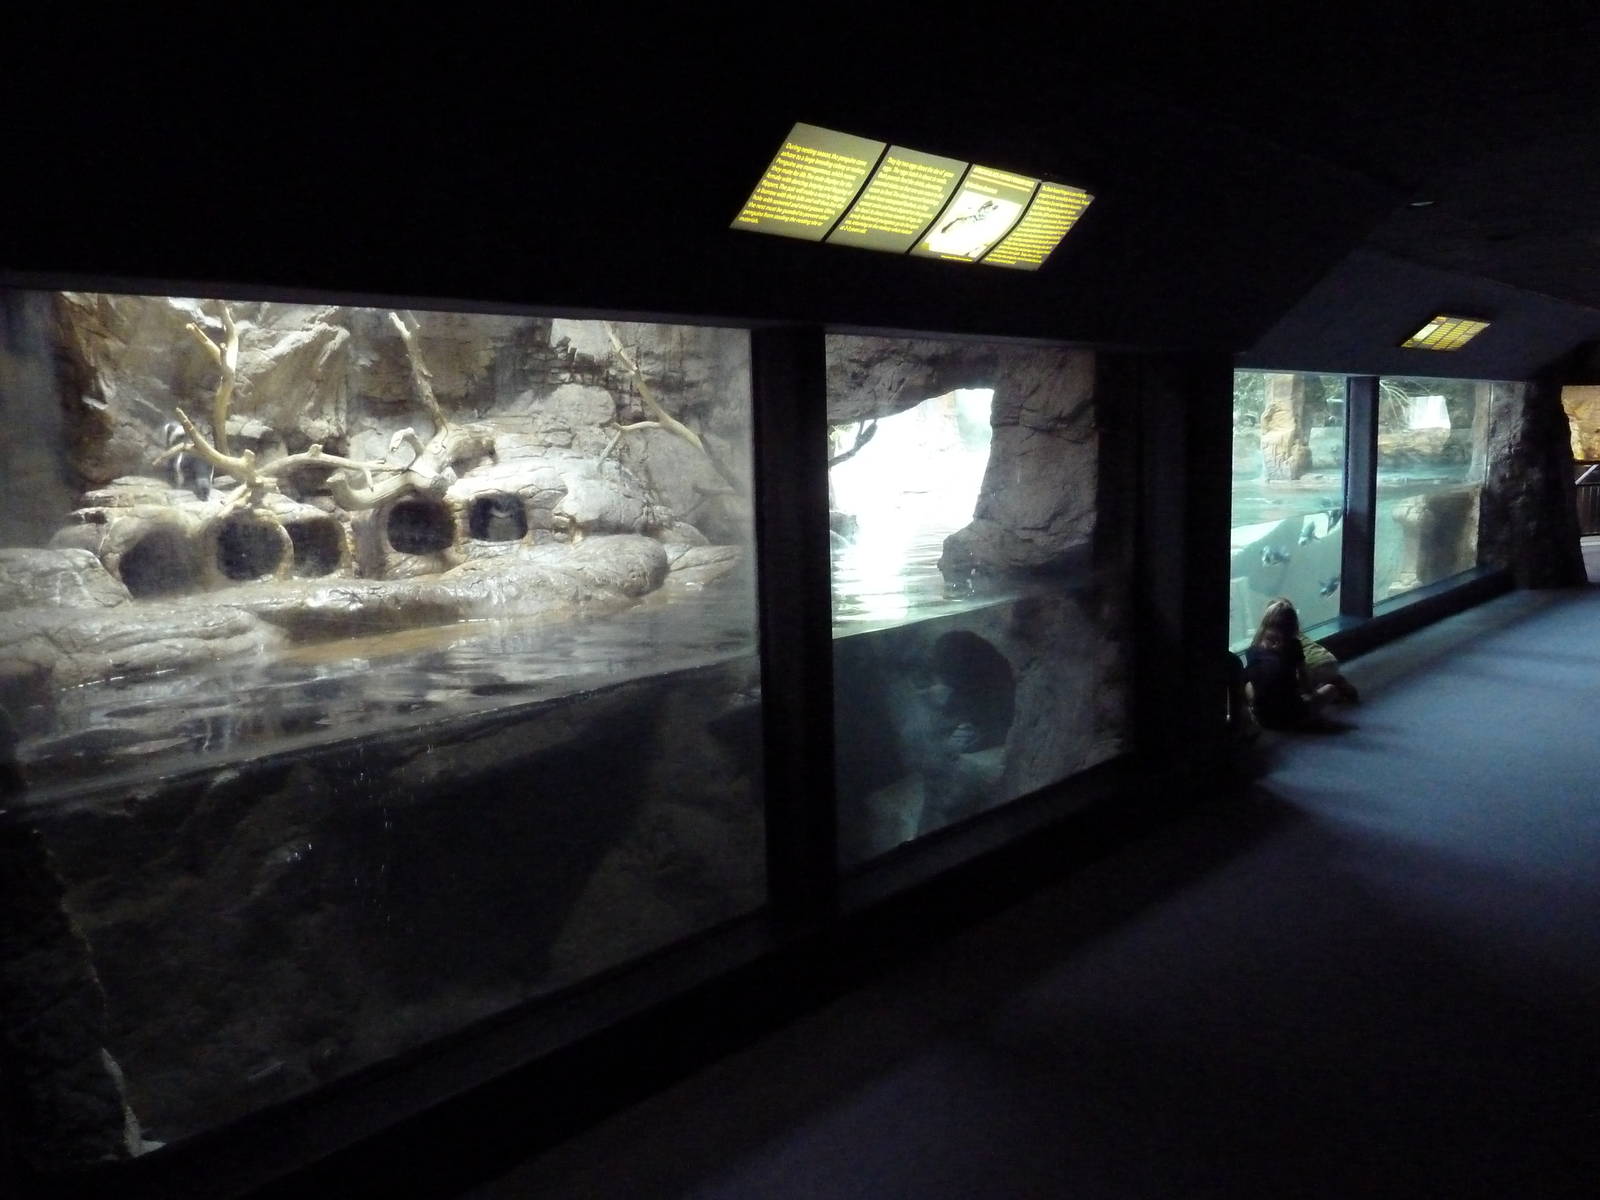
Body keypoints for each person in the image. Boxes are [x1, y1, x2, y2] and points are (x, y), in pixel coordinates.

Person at [1242, 597, 1356, 730]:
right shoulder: (1293, 645)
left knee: (1251, 685)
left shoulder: (1252, 649)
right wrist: (1308, 693)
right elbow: (1306, 684)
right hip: (1293, 714)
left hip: (1264, 719)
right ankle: (1305, 719)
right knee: (1330, 689)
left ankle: (1259, 712)